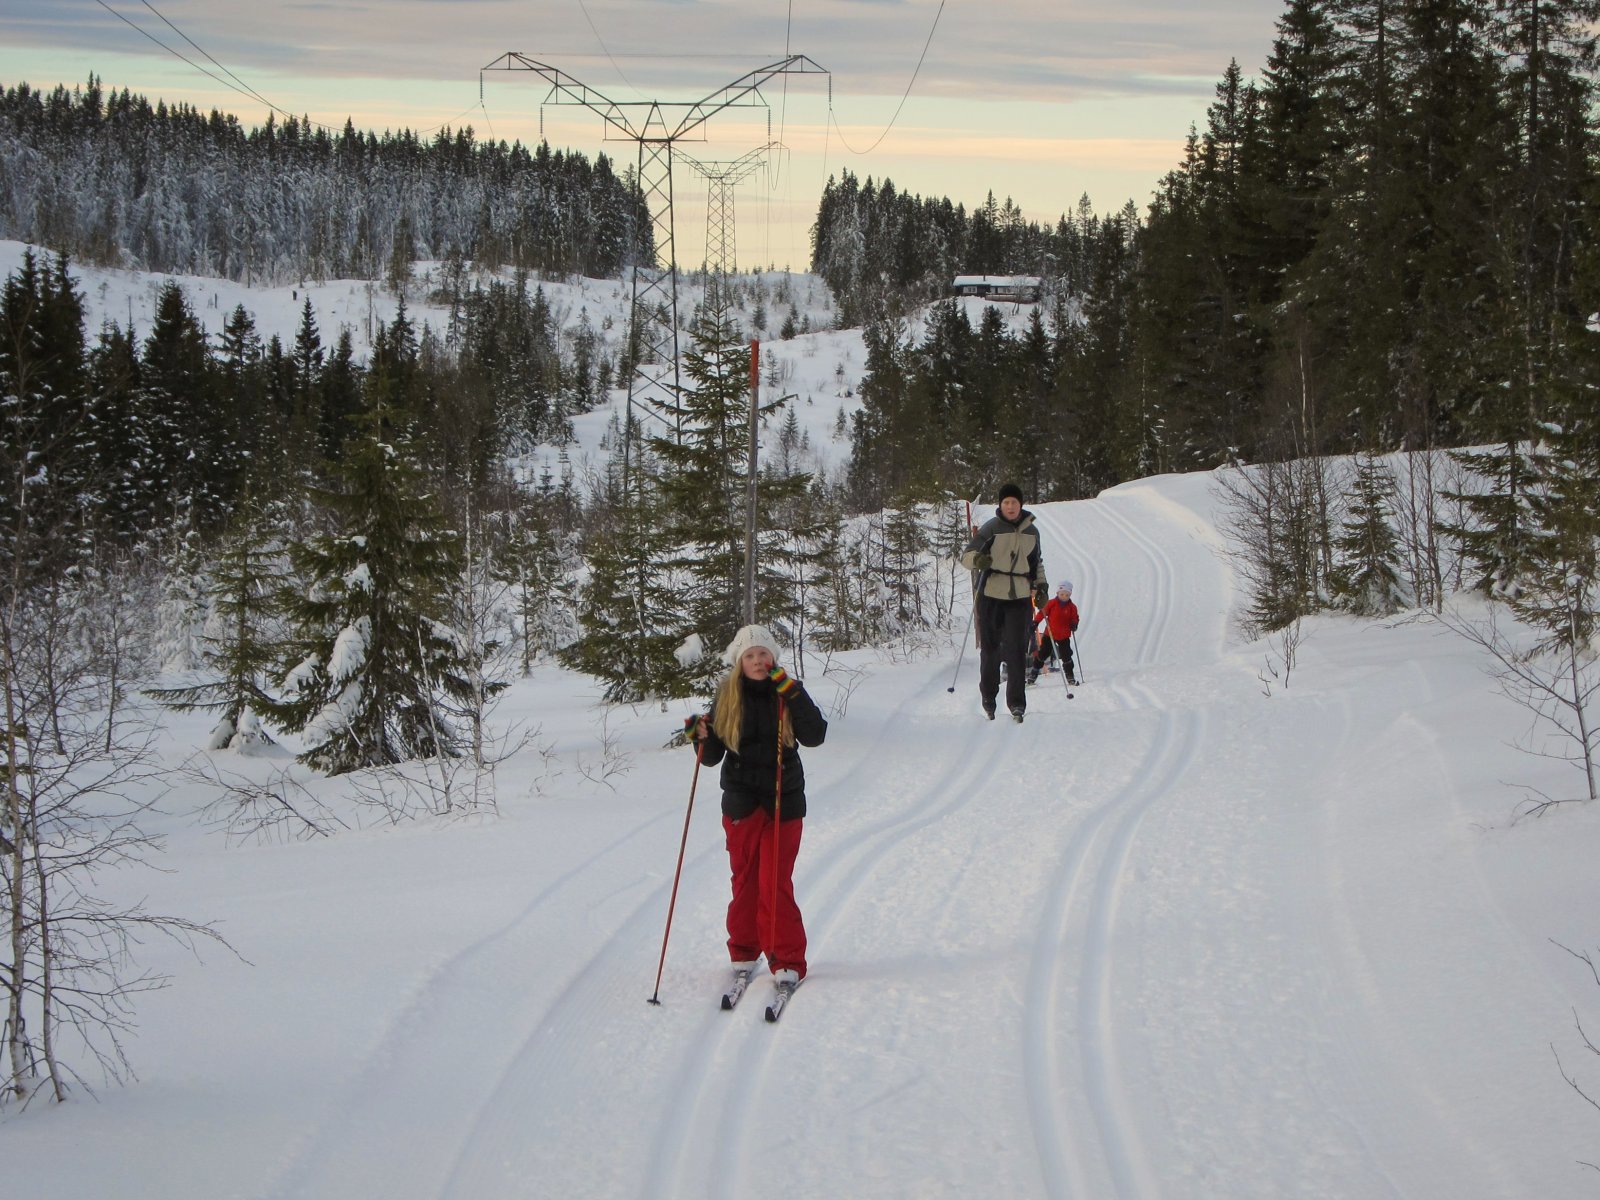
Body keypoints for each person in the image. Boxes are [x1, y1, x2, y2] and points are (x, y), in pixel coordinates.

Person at [694, 625, 828, 991]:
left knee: (774, 882)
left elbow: (815, 735)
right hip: (741, 803)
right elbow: (711, 758)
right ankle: (744, 952)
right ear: (740, 662)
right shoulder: (727, 696)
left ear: (773, 658)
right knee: (745, 881)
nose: (757, 660)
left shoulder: (788, 692)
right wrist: (699, 737)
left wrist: (794, 694)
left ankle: (786, 960)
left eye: (763, 654)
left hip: (784, 801)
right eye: (750, 655)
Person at [960, 482, 1047, 722]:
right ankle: (989, 697)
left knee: (1017, 650)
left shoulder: (1032, 532)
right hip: (991, 594)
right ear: (1001, 505)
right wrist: (978, 559)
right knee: (991, 649)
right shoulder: (991, 529)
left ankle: (1017, 704)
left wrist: (1042, 586)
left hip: (1019, 596)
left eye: (1014, 502)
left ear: (1021, 505)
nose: (1010, 506)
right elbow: (966, 556)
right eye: (1006, 502)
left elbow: (1036, 562)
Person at [1029, 581, 1080, 685]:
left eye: (1067, 595)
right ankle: (1033, 674)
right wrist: (1036, 622)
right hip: (1050, 635)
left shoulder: (1072, 607)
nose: (1064, 596)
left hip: (1064, 635)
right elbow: (1042, 613)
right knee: (1043, 654)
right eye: (1062, 594)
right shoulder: (1051, 603)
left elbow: (1075, 618)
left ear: (1070, 595)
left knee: (1066, 655)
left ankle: (1070, 676)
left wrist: (1074, 624)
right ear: (1057, 593)